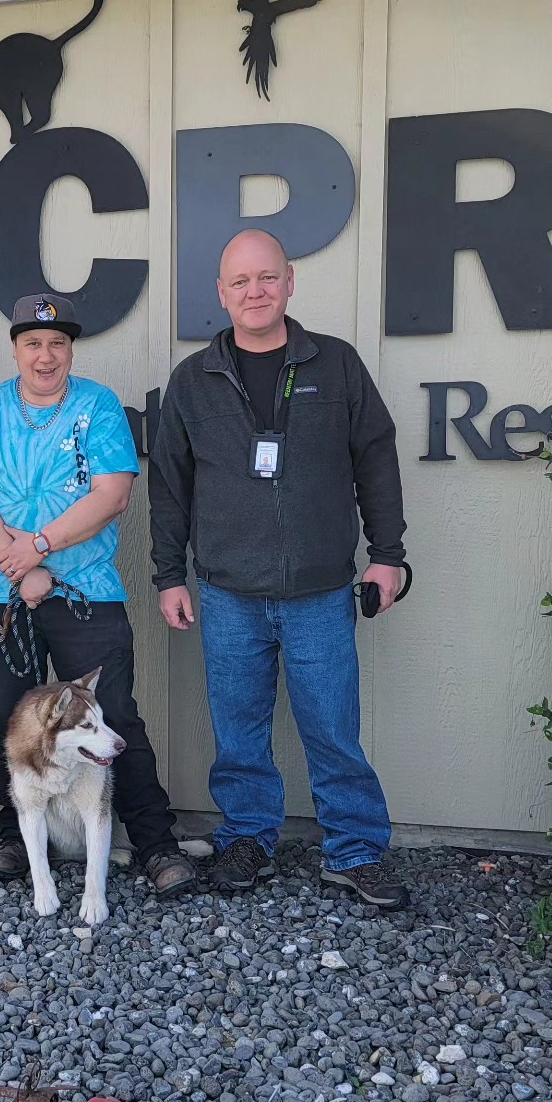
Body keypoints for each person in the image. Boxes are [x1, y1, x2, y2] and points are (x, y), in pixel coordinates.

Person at [148, 229, 411, 910]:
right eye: (241, 282)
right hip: (228, 591)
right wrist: (168, 575)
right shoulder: (193, 380)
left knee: (332, 729)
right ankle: (248, 839)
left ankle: (354, 851)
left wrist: (388, 556)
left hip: (320, 590)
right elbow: (170, 486)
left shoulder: (338, 365)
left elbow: (376, 461)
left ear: (290, 282)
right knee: (238, 730)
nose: (255, 292)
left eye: (267, 278)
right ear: (221, 294)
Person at [0, 292, 197, 900]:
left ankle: (155, 844)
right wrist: (17, 568)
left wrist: (37, 547)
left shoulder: (98, 406)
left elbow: (112, 494)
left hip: (85, 592)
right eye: (33, 343)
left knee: (112, 718)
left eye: (57, 343)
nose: (45, 355)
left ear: (70, 349)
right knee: (10, 722)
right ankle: (14, 831)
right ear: (15, 349)